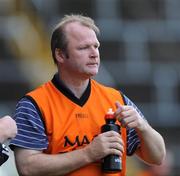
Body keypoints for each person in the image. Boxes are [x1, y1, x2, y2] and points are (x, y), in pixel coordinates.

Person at [10, 14, 166, 176]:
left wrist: (142, 127)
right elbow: (27, 167)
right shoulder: (34, 103)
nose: (94, 54)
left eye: (96, 46)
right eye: (84, 48)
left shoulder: (116, 99)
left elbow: (157, 157)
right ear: (60, 55)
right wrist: (89, 153)